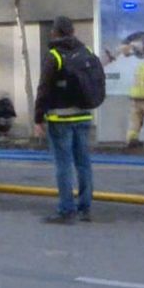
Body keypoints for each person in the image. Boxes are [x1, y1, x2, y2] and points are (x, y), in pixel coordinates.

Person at [34, 16, 95, 224]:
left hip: (60, 119)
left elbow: (43, 89)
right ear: (73, 31)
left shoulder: (54, 56)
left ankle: (66, 210)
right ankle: (85, 208)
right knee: (83, 163)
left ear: (55, 32)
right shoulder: (85, 52)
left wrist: (38, 118)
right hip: (84, 116)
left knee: (63, 165)